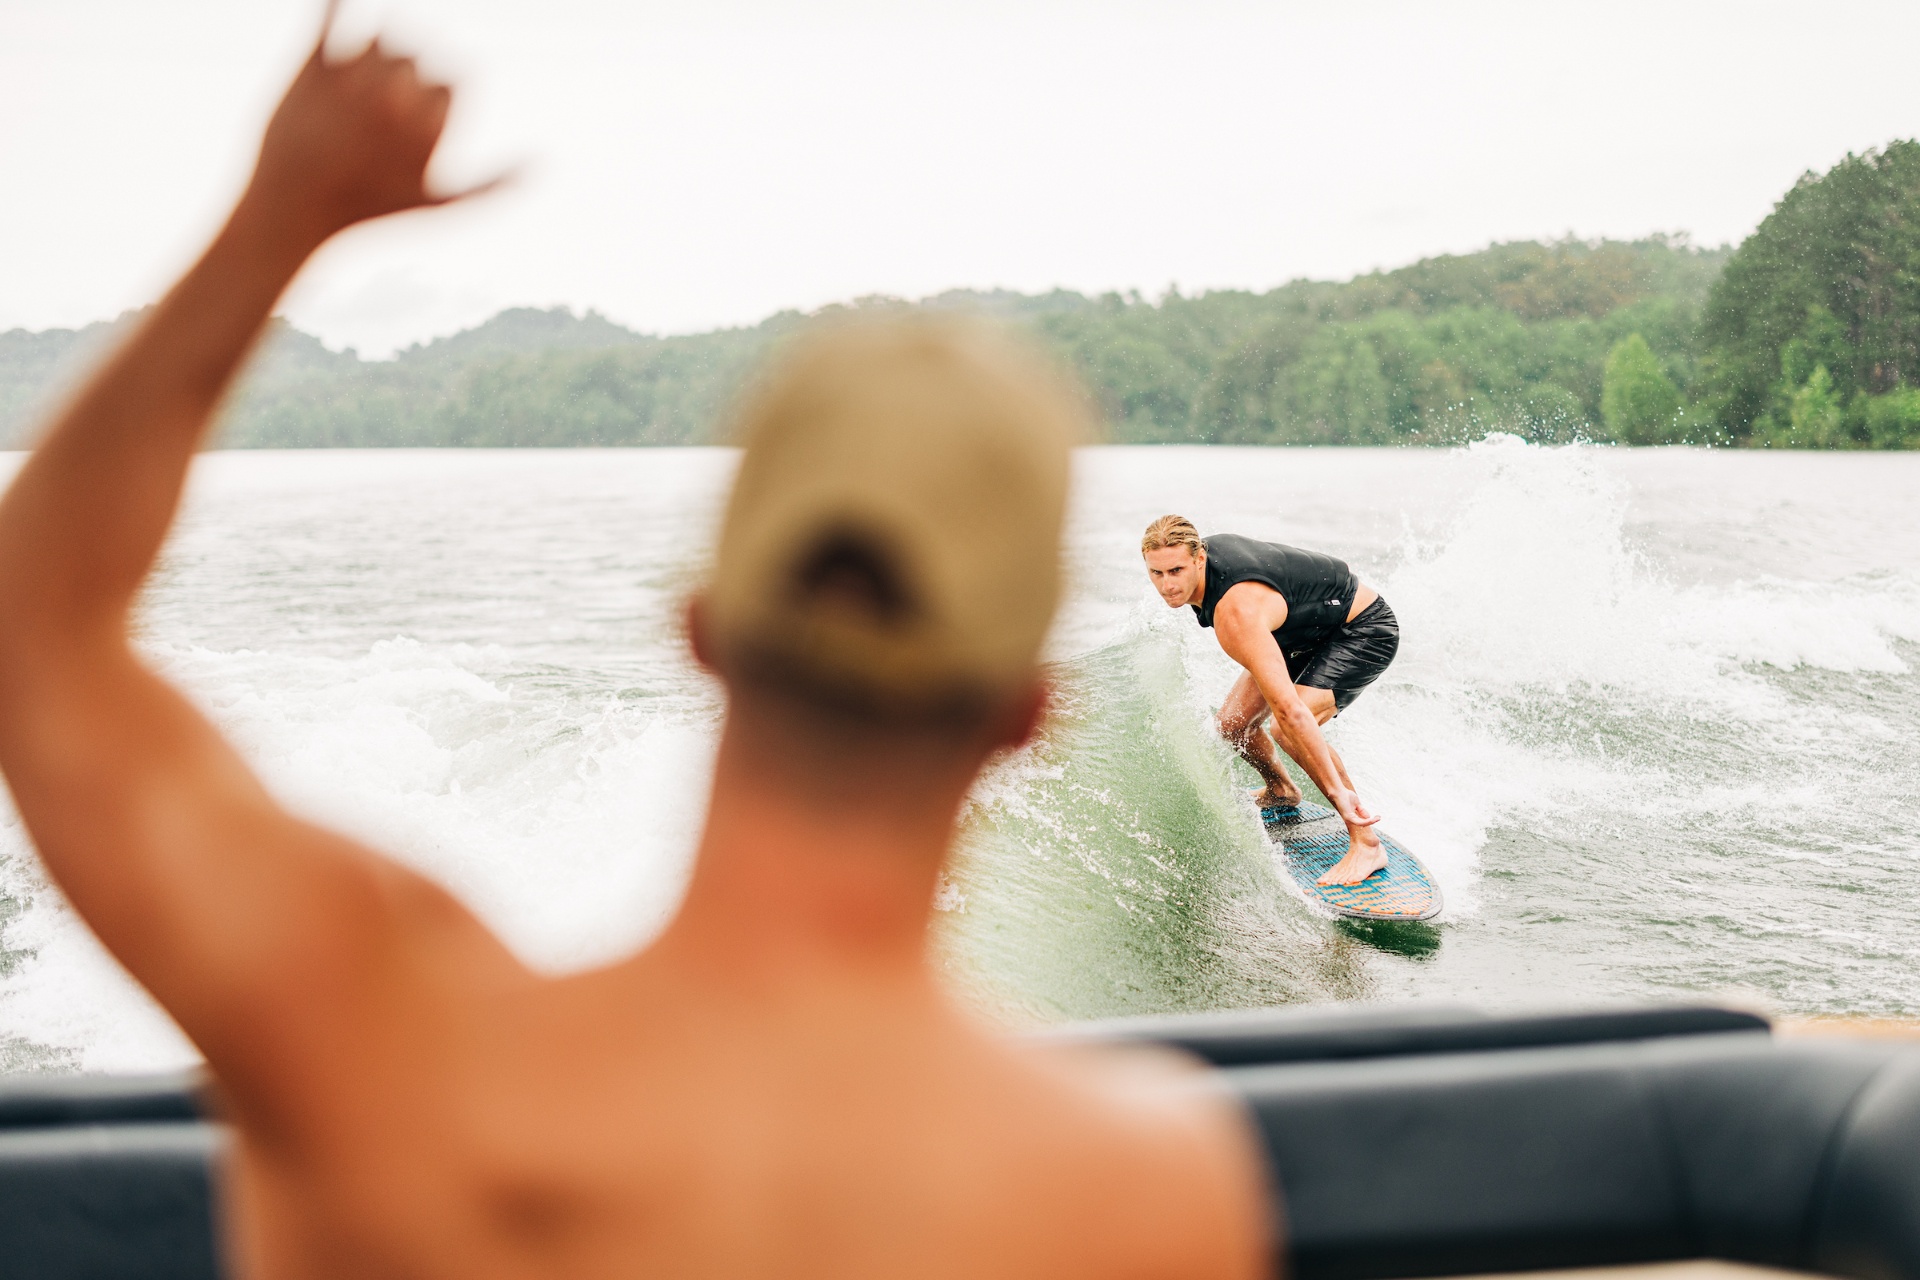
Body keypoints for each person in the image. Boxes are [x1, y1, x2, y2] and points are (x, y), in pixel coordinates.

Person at [0, 21, 1271, 1280]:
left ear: (703, 633)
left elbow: (31, 634)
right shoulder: (1142, 1184)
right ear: (1023, 713)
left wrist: (280, 219)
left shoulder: (392, 1049)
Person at [1141, 517, 1399, 886]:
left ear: (1200, 559)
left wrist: (1339, 795)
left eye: (1177, 570)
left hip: (1358, 630)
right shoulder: (1208, 572)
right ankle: (1282, 791)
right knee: (1233, 724)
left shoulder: (1235, 614)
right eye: (1157, 573)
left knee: (1286, 727)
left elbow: (1290, 711)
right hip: (1301, 631)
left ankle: (1366, 842)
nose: (1167, 585)